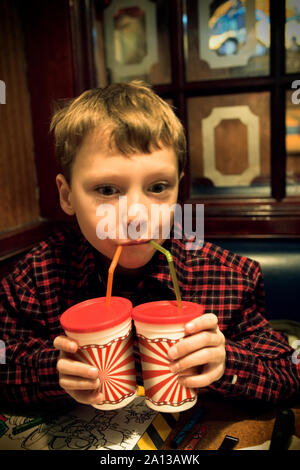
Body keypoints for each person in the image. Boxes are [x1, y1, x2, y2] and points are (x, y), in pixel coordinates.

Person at [0, 81, 299, 407]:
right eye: (106, 190)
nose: (137, 216)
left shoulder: (227, 277)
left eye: (158, 187)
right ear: (67, 195)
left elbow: (287, 371)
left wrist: (227, 363)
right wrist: (52, 370)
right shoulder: (37, 277)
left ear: (178, 191)